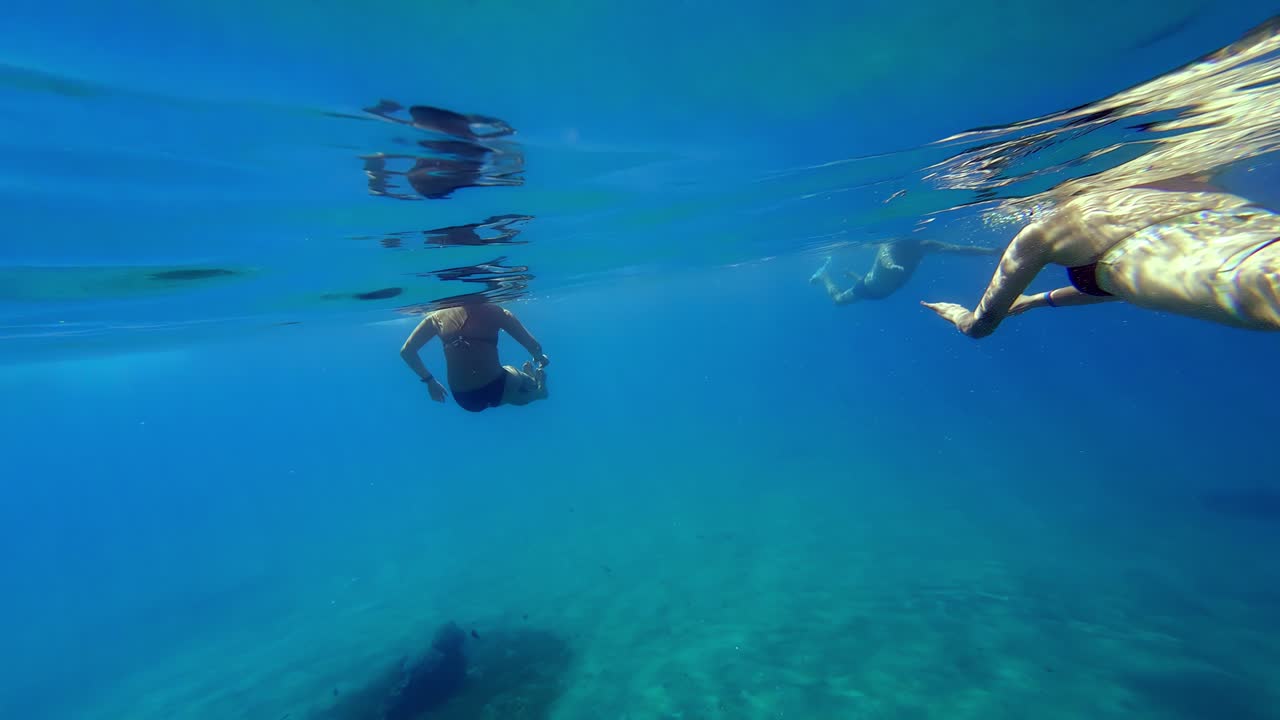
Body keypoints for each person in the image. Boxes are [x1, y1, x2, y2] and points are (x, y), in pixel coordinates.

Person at [920, 180, 1280, 337]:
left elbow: (980, 327)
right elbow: (1128, 279)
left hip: (1245, 277)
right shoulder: (1174, 179)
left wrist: (958, 315)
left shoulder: (1046, 230)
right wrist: (1036, 302)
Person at [400, 301, 549, 412]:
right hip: (497, 387)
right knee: (513, 377)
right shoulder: (495, 312)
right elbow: (534, 346)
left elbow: (407, 351)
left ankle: (527, 387)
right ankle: (537, 392)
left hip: (465, 398)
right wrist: (539, 357)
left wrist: (430, 381)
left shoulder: (436, 317)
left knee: (509, 391)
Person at [810, 238, 999, 305]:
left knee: (874, 279)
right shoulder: (890, 243)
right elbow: (885, 257)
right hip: (869, 288)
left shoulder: (924, 245)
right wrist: (892, 266)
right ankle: (824, 276)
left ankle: (852, 276)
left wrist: (990, 252)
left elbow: (957, 249)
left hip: (882, 288)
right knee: (839, 301)